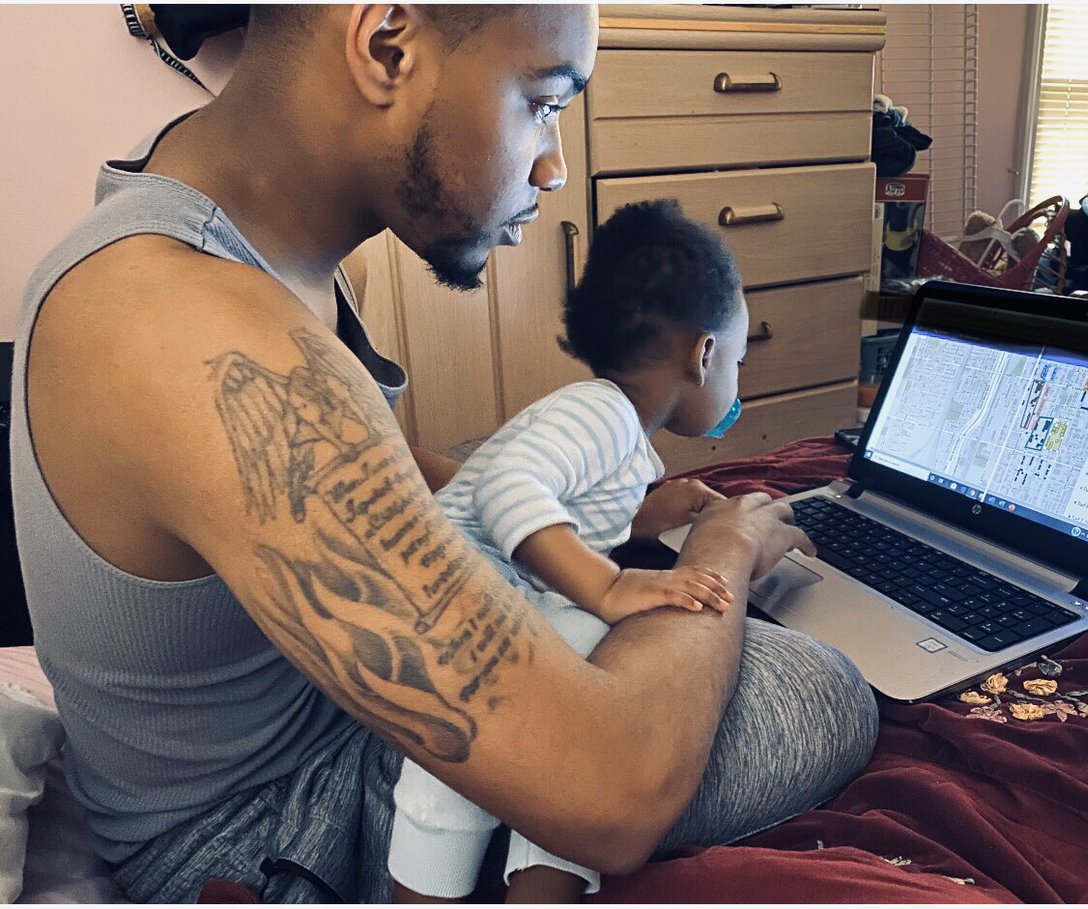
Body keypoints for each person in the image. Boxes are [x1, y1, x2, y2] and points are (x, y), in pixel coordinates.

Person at [10, 5, 879, 902]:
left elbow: (364, 465)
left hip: (303, 727)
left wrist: (567, 514)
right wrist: (719, 556)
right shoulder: (188, 326)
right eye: (543, 102)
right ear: (387, 46)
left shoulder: (226, 215)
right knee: (818, 692)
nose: (554, 164)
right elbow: (612, 791)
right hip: (259, 828)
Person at [391, 199, 751, 902]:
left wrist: (644, 519)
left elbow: (568, 508)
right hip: (454, 603)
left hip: (506, 600)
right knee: (470, 758)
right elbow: (506, 486)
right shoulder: (600, 412)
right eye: (738, 360)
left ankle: (545, 882)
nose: (737, 377)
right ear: (703, 354)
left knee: (581, 716)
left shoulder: (613, 426)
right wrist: (610, 586)